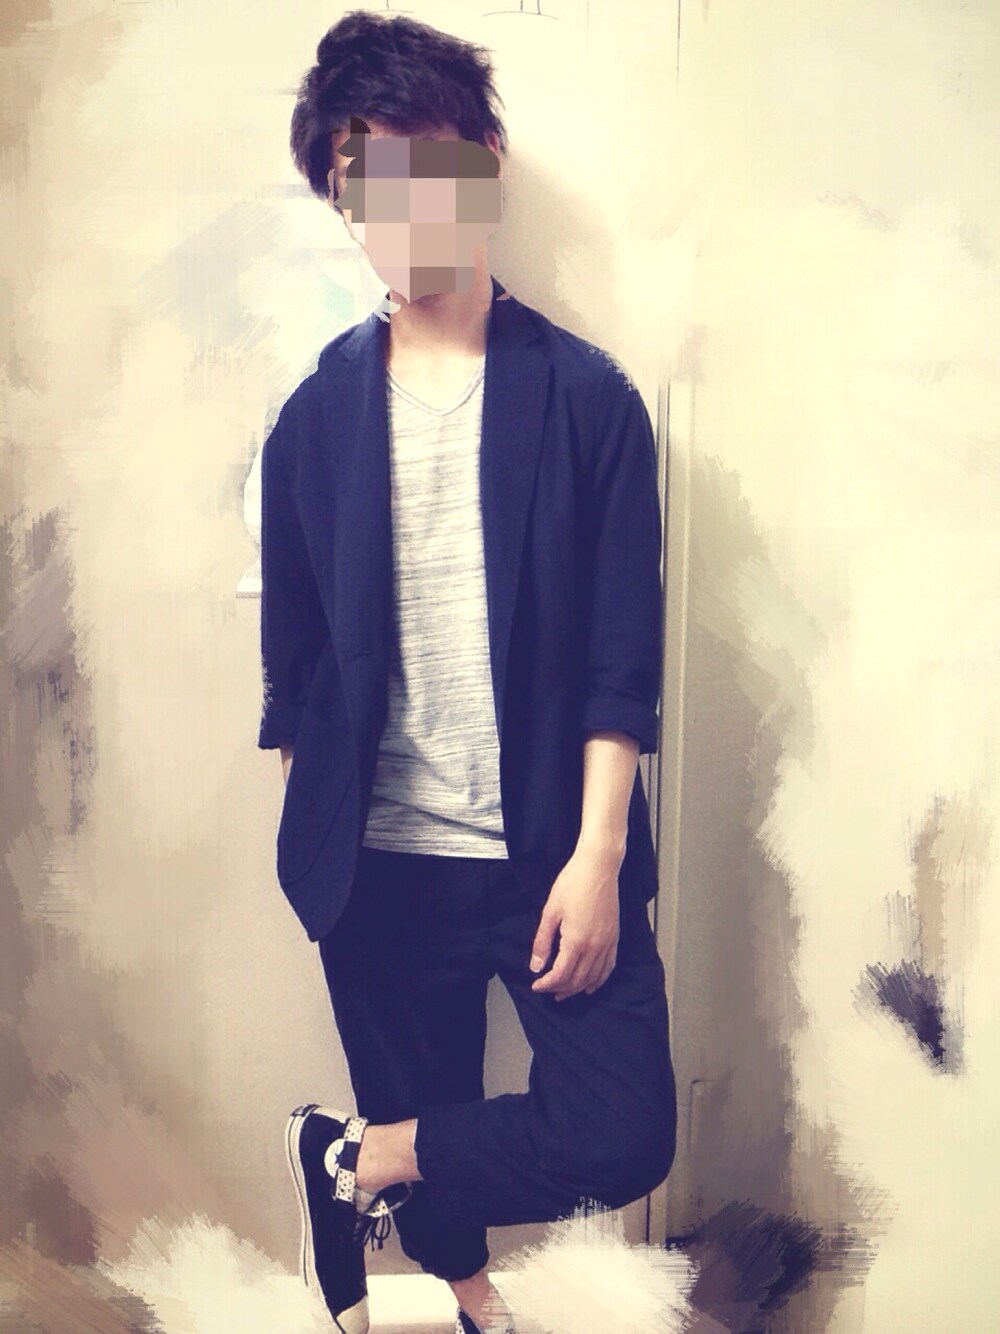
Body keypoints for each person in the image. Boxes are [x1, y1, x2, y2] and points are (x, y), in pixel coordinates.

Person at [257, 12, 677, 1333]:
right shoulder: (313, 419)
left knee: (622, 1130)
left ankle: (353, 1158)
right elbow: (294, 668)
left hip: (551, 853)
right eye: (358, 188)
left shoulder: (590, 400)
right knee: (425, 1092)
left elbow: (621, 661)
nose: (391, 215)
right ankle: (471, 1295)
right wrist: (323, 834)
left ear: (483, 160)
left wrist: (599, 855)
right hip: (379, 867)